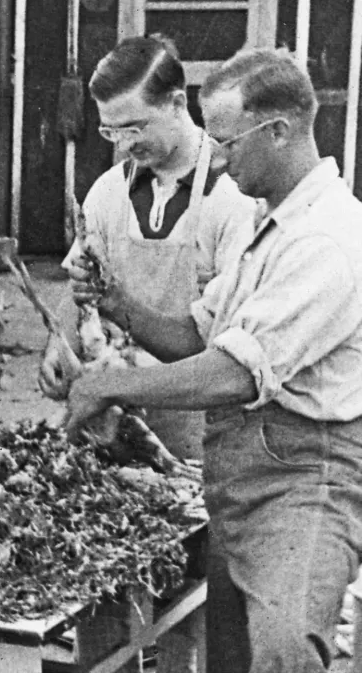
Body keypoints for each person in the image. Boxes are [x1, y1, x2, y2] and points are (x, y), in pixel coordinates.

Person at [64, 47, 362, 673]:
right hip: (241, 469)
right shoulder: (268, 221)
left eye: (226, 143)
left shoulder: (326, 238)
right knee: (230, 655)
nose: (214, 159)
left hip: (311, 473)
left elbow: (235, 373)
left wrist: (111, 386)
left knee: (282, 649)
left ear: (279, 131)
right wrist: (114, 302)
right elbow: (198, 336)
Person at [38, 35, 255, 459]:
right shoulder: (107, 192)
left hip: (202, 420)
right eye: (111, 129)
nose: (123, 143)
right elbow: (80, 287)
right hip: (114, 415)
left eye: (135, 127)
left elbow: (226, 348)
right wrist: (59, 345)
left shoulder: (233, 197)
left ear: (177, 104)